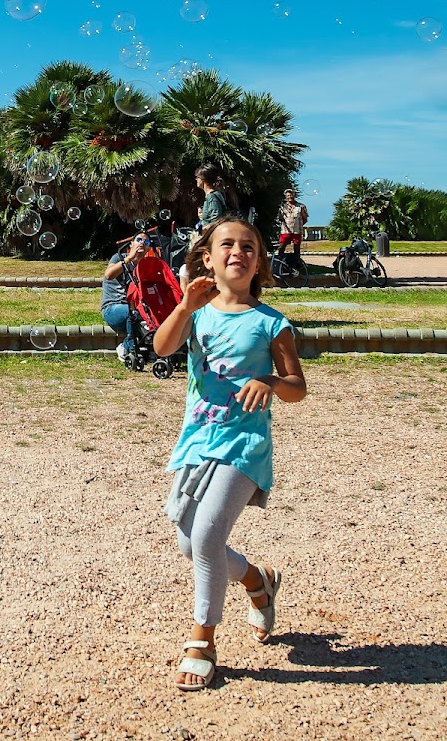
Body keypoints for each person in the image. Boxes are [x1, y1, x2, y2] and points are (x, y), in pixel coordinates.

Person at [153, 215, 307, 690]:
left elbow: (298, 388)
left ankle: (203, 640)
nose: (238, 252)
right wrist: (183, 306)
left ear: (259, 262)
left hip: (245, 446)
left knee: (207, 536)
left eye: (249, 247)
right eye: (228, 245)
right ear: (208, 257)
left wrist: (271, 381)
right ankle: (257, 580)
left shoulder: (272, 323)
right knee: (191, 541)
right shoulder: (196, 313)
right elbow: (162, 348)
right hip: (198, 442)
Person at [100, 232, 150, 361]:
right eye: (139, 239)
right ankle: (127, 348)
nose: (142, 243)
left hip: (135, 309)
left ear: (149, 248)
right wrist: (129, 258)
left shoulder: (146, 266)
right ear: (131, 243)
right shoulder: (118, 258)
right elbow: (108, 274)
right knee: (132, 313)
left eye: (146, 242)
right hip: (112, 309)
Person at [277, 188, 308, 270]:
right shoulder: (282, 207)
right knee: (281, 247)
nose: (290, 197)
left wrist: (299, 225)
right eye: (288, 196)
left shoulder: (301, 206)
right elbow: (280, 218)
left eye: (291, 195)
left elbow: (305, 219)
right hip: (285, 231)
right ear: (285, 197)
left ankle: (298, 265)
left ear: (294, 196)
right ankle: (279, 263)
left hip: (297, 231)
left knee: (297, 248)